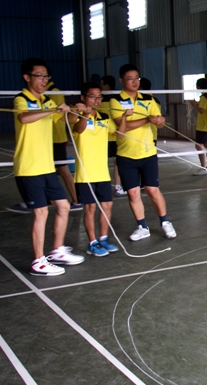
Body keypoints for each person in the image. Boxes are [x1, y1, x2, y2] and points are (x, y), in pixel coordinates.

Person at [13, 58, 84, 276]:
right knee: (41, 212)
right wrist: (52, 110)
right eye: (39, 76)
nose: (44, 80)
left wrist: (78, 111)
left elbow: (67, 120)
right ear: (27, 77)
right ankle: (38, 261)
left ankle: (57, 251)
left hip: (46, 167)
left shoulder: (47, 100)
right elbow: (25, 118)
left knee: (63, 207)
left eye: (46, 76)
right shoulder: (21, 99)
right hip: (29, 167)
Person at [109, 64, 177, 241]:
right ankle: (142, 226)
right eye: (130, 78)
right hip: (126, 155)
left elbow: (159, 125)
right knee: (133, 193)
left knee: (153, 190)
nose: (134, 81)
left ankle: (165, 222)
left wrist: (160, 120)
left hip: (147, 154)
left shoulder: (149, 99)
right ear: (121, 80)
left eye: (136, 78)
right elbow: (123, 125)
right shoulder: (116, 101)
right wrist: (147, 119)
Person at [73, 82, 129, 256]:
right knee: (90, 208)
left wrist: (124, 117)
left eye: (99, 97)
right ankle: (92, 243)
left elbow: (120, 135)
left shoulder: (104, 118)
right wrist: (85, 114)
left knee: (107, 206)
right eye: (92, 97)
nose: (97, 100)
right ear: (83, 97)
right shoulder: (75, 115)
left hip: (102, 172)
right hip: (85, 173)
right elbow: (78, 130)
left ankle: (103, 239)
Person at [47, 80, 83, 211]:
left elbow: (63, 116)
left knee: (63, 170)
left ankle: (77, 200)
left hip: (56, 138)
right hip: (48, 139)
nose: (42, 80)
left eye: (44, 76)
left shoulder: (54, 92)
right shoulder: (44, 94)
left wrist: (62, 135)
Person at [100, 74, 126, 196]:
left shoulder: (113, 100)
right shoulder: (104, 99)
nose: (101, 86)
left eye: (102, 84)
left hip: (114, 136)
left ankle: (117, 186)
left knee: (116, 163)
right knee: (112, 163)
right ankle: (111, 186)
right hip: (106, 137)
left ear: (107, 85)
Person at [190, 78, 207, 175]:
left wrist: (194, 104)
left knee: (198, 146)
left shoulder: (204, 97)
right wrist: (197, 104)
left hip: (203, 126)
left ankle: (203, 168)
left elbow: (202, 110)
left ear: (199, 86)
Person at [138, 77, 163, 146]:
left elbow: (158, 120)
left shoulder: (152, 101)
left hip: (150, 134)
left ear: (140, 88)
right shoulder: (155, 100)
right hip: (138, 135)